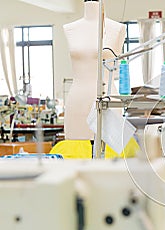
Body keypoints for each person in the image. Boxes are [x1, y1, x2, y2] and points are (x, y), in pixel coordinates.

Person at [63, 0, 126, 140]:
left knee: (109, 156)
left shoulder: (117, 28)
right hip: (77, 103)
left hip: (107, 100)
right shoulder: (70, 28)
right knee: (77, 155)